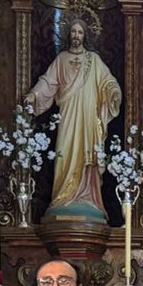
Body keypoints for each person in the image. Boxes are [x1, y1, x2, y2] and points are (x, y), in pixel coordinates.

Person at [25, 18, 122, 219]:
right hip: (68, 114)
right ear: (68, 34)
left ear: (85, 36)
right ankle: (62, 198)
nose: (76, 35)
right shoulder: (61, 59)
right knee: (65, 150)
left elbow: (107, 81)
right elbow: (48, 82)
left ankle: (89, 199)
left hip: (88, 115)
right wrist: (34, 95)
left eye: (80, 32)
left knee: (87, 153)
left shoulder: (93, 60)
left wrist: (113, 91)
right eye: (73, 32)